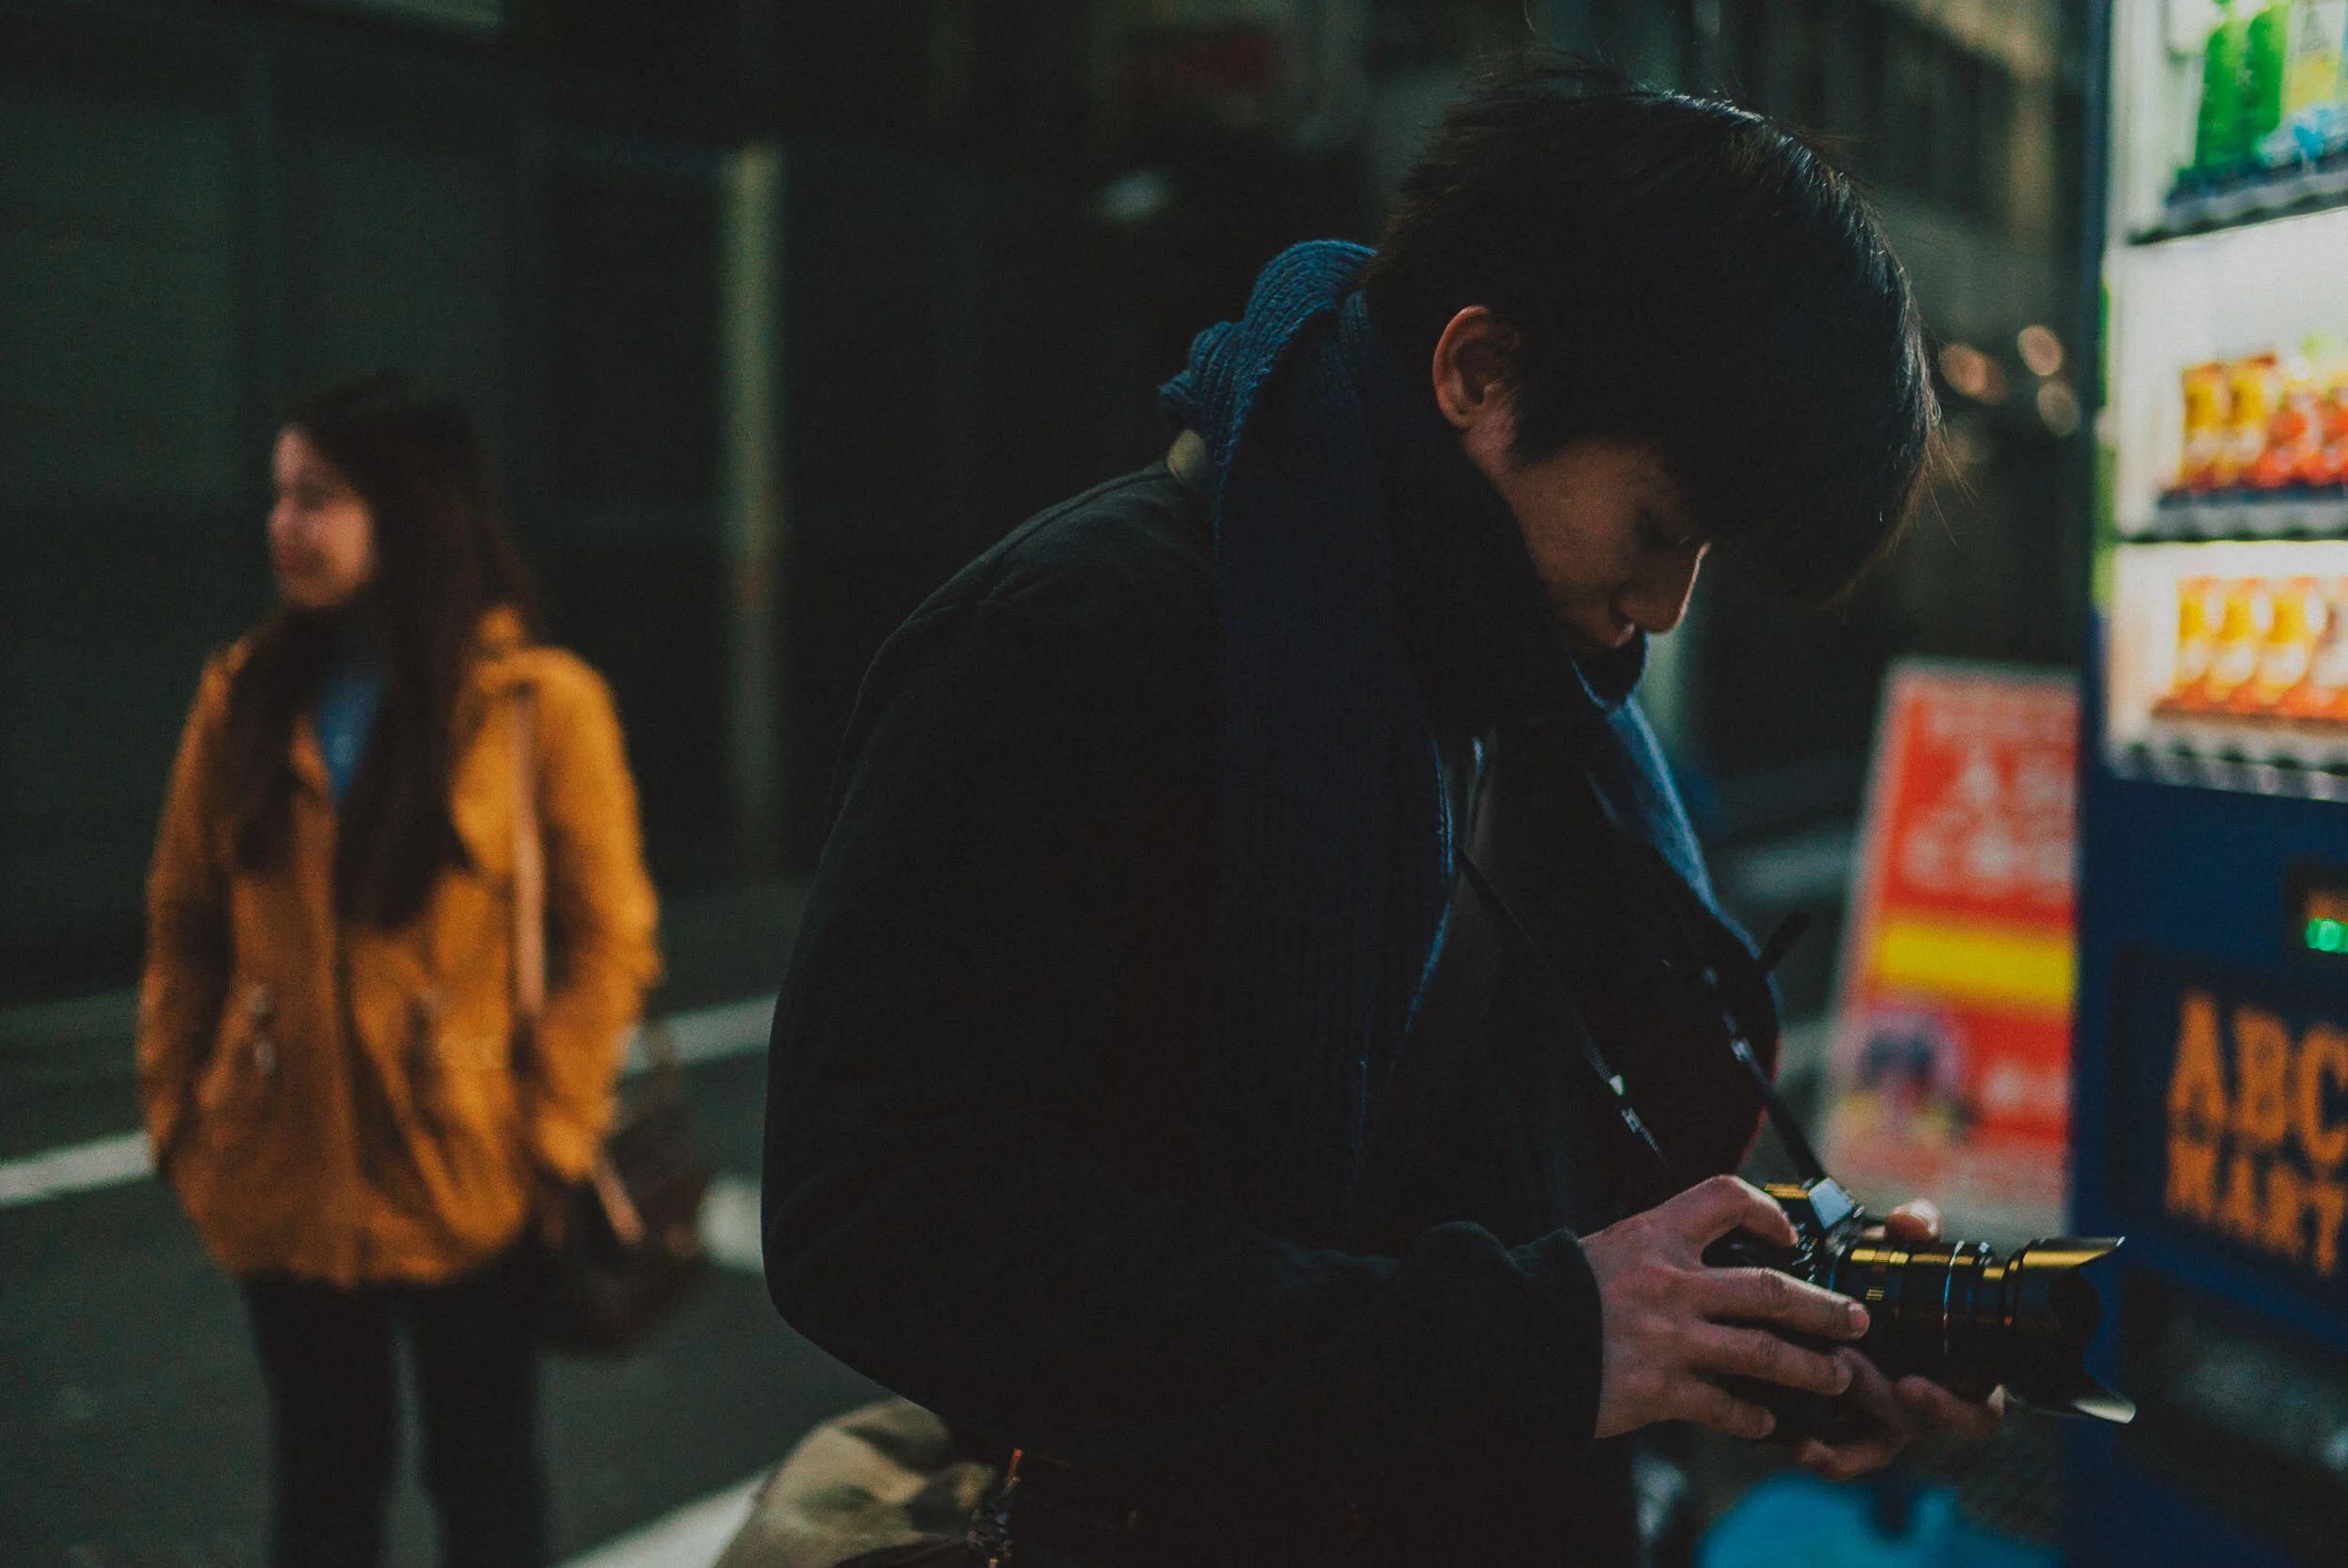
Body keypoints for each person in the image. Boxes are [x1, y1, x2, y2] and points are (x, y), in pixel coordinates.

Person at [762, 60, 1999, 1568]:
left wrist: (1778, 1337)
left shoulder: (1536, 692)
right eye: (1657, 527)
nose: (1659, 611)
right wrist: (1539, 1339)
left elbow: (1546, 1192)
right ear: (1477, 372)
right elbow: (879, 1218)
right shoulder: (1086, 636)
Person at [138, 377, 661, 1568]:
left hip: (474, 1178)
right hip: (279, 1175)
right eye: (279, 495)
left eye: (316, 498)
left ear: (409, 513)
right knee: (320, 1498)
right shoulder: (242, 696)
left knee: (484, 1491)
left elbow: (610, 935)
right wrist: (179, 1119)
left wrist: (551, 1132)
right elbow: (183, 923)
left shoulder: (538, 708)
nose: (284, 524)